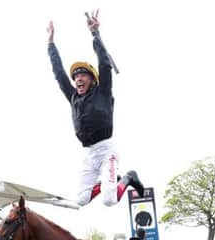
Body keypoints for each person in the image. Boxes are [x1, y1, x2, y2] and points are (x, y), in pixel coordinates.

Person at [47, 11, 144, 207]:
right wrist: (51, 44)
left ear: (93, 80)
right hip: (88, 154)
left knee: (109, 200)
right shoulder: (73, 96)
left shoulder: (103, 91)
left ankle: (128, 178)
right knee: (81, 200)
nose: (78, 79)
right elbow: (59, 73)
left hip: (106, 150)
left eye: (83, 75)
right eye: (75, 77)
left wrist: (95, 33)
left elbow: (104, 64)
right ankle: (111, 180)